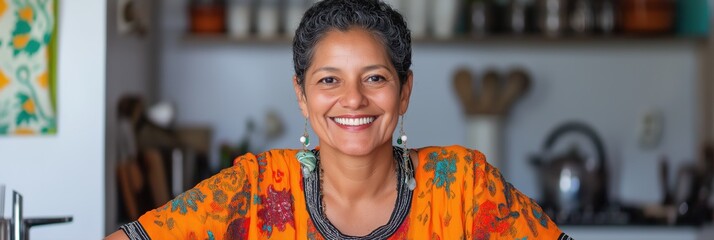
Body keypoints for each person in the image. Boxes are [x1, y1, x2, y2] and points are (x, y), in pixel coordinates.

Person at [106, 0, 571, 239]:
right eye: (329, 81)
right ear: (302, 96)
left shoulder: (464, 188)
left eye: (374, 78)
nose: (353, 99)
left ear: (404, 91)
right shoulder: (254, 190)